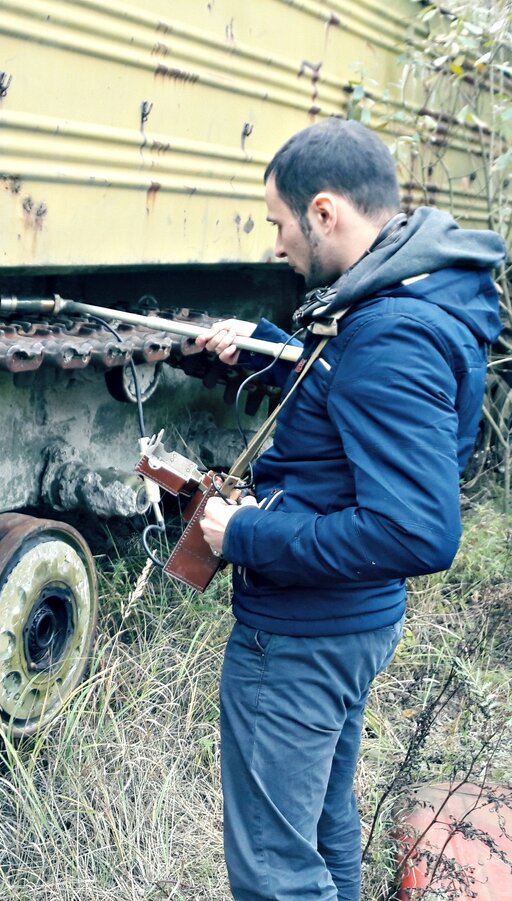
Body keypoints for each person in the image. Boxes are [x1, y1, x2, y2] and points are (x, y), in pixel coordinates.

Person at [193, 118, 505, 901]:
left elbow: (417, 530)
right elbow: (349, 388)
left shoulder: (391, 333)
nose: (276, 244)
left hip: (305, 637)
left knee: (275, 868)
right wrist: (272, 350)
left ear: (324, 212)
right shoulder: (404, 290)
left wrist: (246, 531)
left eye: (278, 222)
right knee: (323, 816)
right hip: (347, 622)